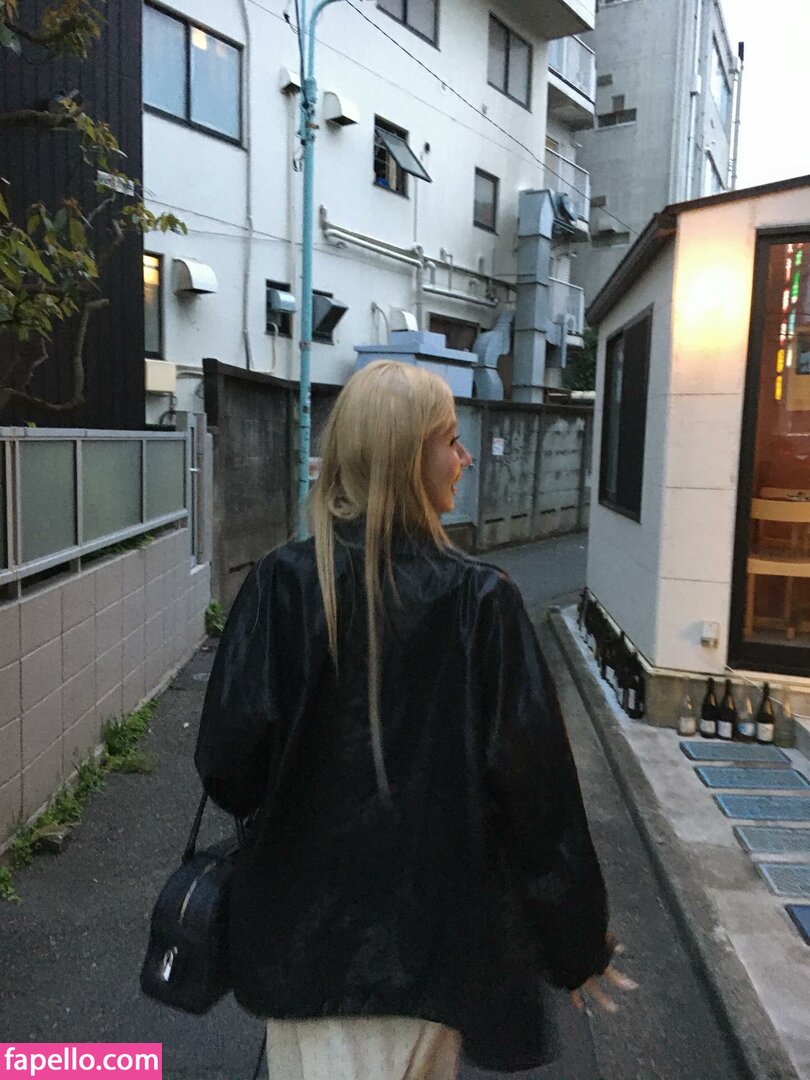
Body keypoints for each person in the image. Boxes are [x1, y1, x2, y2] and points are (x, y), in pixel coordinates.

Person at [195, 360, 634, 1080]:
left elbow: (228, 771)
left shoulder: (282, 584)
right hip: (433, 952)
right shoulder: (479, 602)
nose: (465, 457)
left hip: (296, 946)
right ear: (405, 456)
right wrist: (574, 941)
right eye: (450, 440)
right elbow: (538, 795)